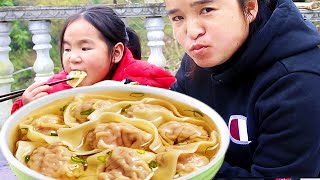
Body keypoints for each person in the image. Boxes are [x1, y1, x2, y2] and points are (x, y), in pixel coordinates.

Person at [165, 0, 320, 177]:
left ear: (250, 7)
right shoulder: (199, 60)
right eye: (178, 17)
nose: (192, 32)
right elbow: (168, 124)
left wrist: (183, 164)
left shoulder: (298, 83)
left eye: (207, 10)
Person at [11, 6, 176, 114]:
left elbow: (179, 104)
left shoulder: (146, 77)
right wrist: (26, 106)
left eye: (85, 48)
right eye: (67, 49)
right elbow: (20, 122)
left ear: (116, 52)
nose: (73, 58)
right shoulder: (56, 87)